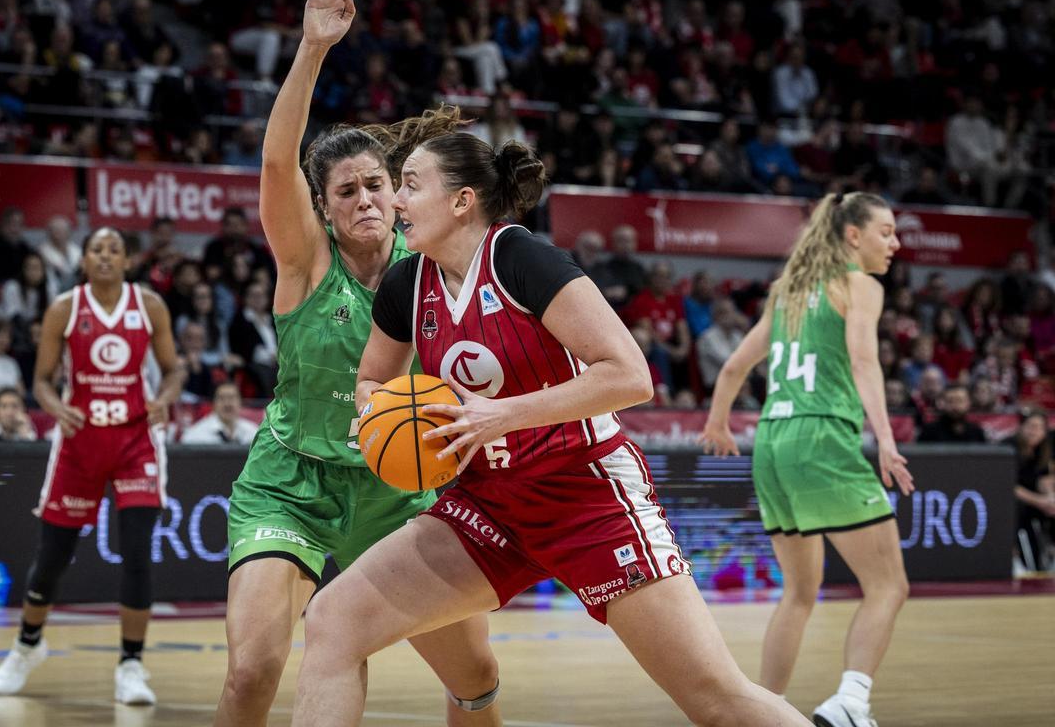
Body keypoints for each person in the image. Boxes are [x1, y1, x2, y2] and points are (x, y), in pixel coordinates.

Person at [289, 55, 810, 727]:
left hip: (583, 490)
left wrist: (500, 414)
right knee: (333, 621)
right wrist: (375, 416)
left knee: (715, 699)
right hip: (488, 503)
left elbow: (629, 376)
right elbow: (372, 378)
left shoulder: (521, 258)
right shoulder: (406, 283)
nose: (392, 201)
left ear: (461, 201)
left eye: (408, 186)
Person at [214, 0, 504, 727]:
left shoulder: (434, 263)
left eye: (377, 184)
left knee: (474, 681)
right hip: (293, 482)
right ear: (324, 207)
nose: (367, 199)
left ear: (398, 189)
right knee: (252, 672)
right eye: (347, 191)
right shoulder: (306, 263)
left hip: (400, 485)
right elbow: (278, 161)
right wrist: (313, 48)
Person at [701, 191, 914, 727]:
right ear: (852, 236)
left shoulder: (789, 292)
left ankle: (759, 710)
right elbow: (865, 359)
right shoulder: (860, 285)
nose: (895, 242)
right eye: (886, 232)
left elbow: (732, 369)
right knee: (889, 585)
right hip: (821, 438)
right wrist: (885, 439)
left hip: (772, 442)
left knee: (798, 593)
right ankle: (851, 703)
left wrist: (718, 423)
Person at [0, 227, 183, 705]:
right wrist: (55, 407)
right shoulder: (65, 308)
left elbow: (174, 368)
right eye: (96, 249)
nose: (105, 256)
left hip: (136, 440)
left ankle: (131, 665)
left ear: (127, 260)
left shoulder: (149, 305)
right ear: (83, 259)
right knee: (51, 559)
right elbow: (42, 381)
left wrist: (165, 399)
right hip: (79, 443)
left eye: (115, 249)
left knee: (137, 553)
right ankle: (26, 646)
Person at [1013, 410, 1055, 572]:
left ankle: (1051, 553)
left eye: (1039, 427)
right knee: (1014, 507)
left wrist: (1050, 497)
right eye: (1031, 426)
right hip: (1015, 501)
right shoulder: (1010, 446)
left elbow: (1044, 479)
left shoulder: (1045, 448)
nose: (1034, 431)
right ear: (1021, 427)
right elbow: (1008, 486)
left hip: (1038, 501)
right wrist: (1040, 501)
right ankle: (1014, 558)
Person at [180, 382, 259, 445]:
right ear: (213, 404)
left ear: (240, 402)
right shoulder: (195, 436)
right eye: (221, 398)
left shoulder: (253, 432)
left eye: (232, 398)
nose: (227, 404)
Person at [916, 384, 986, 443]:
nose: (955, 406)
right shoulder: (929, 431)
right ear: (943, 403)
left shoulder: (976, 432)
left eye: (960, 401)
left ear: (968, 403)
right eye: (950, 401)